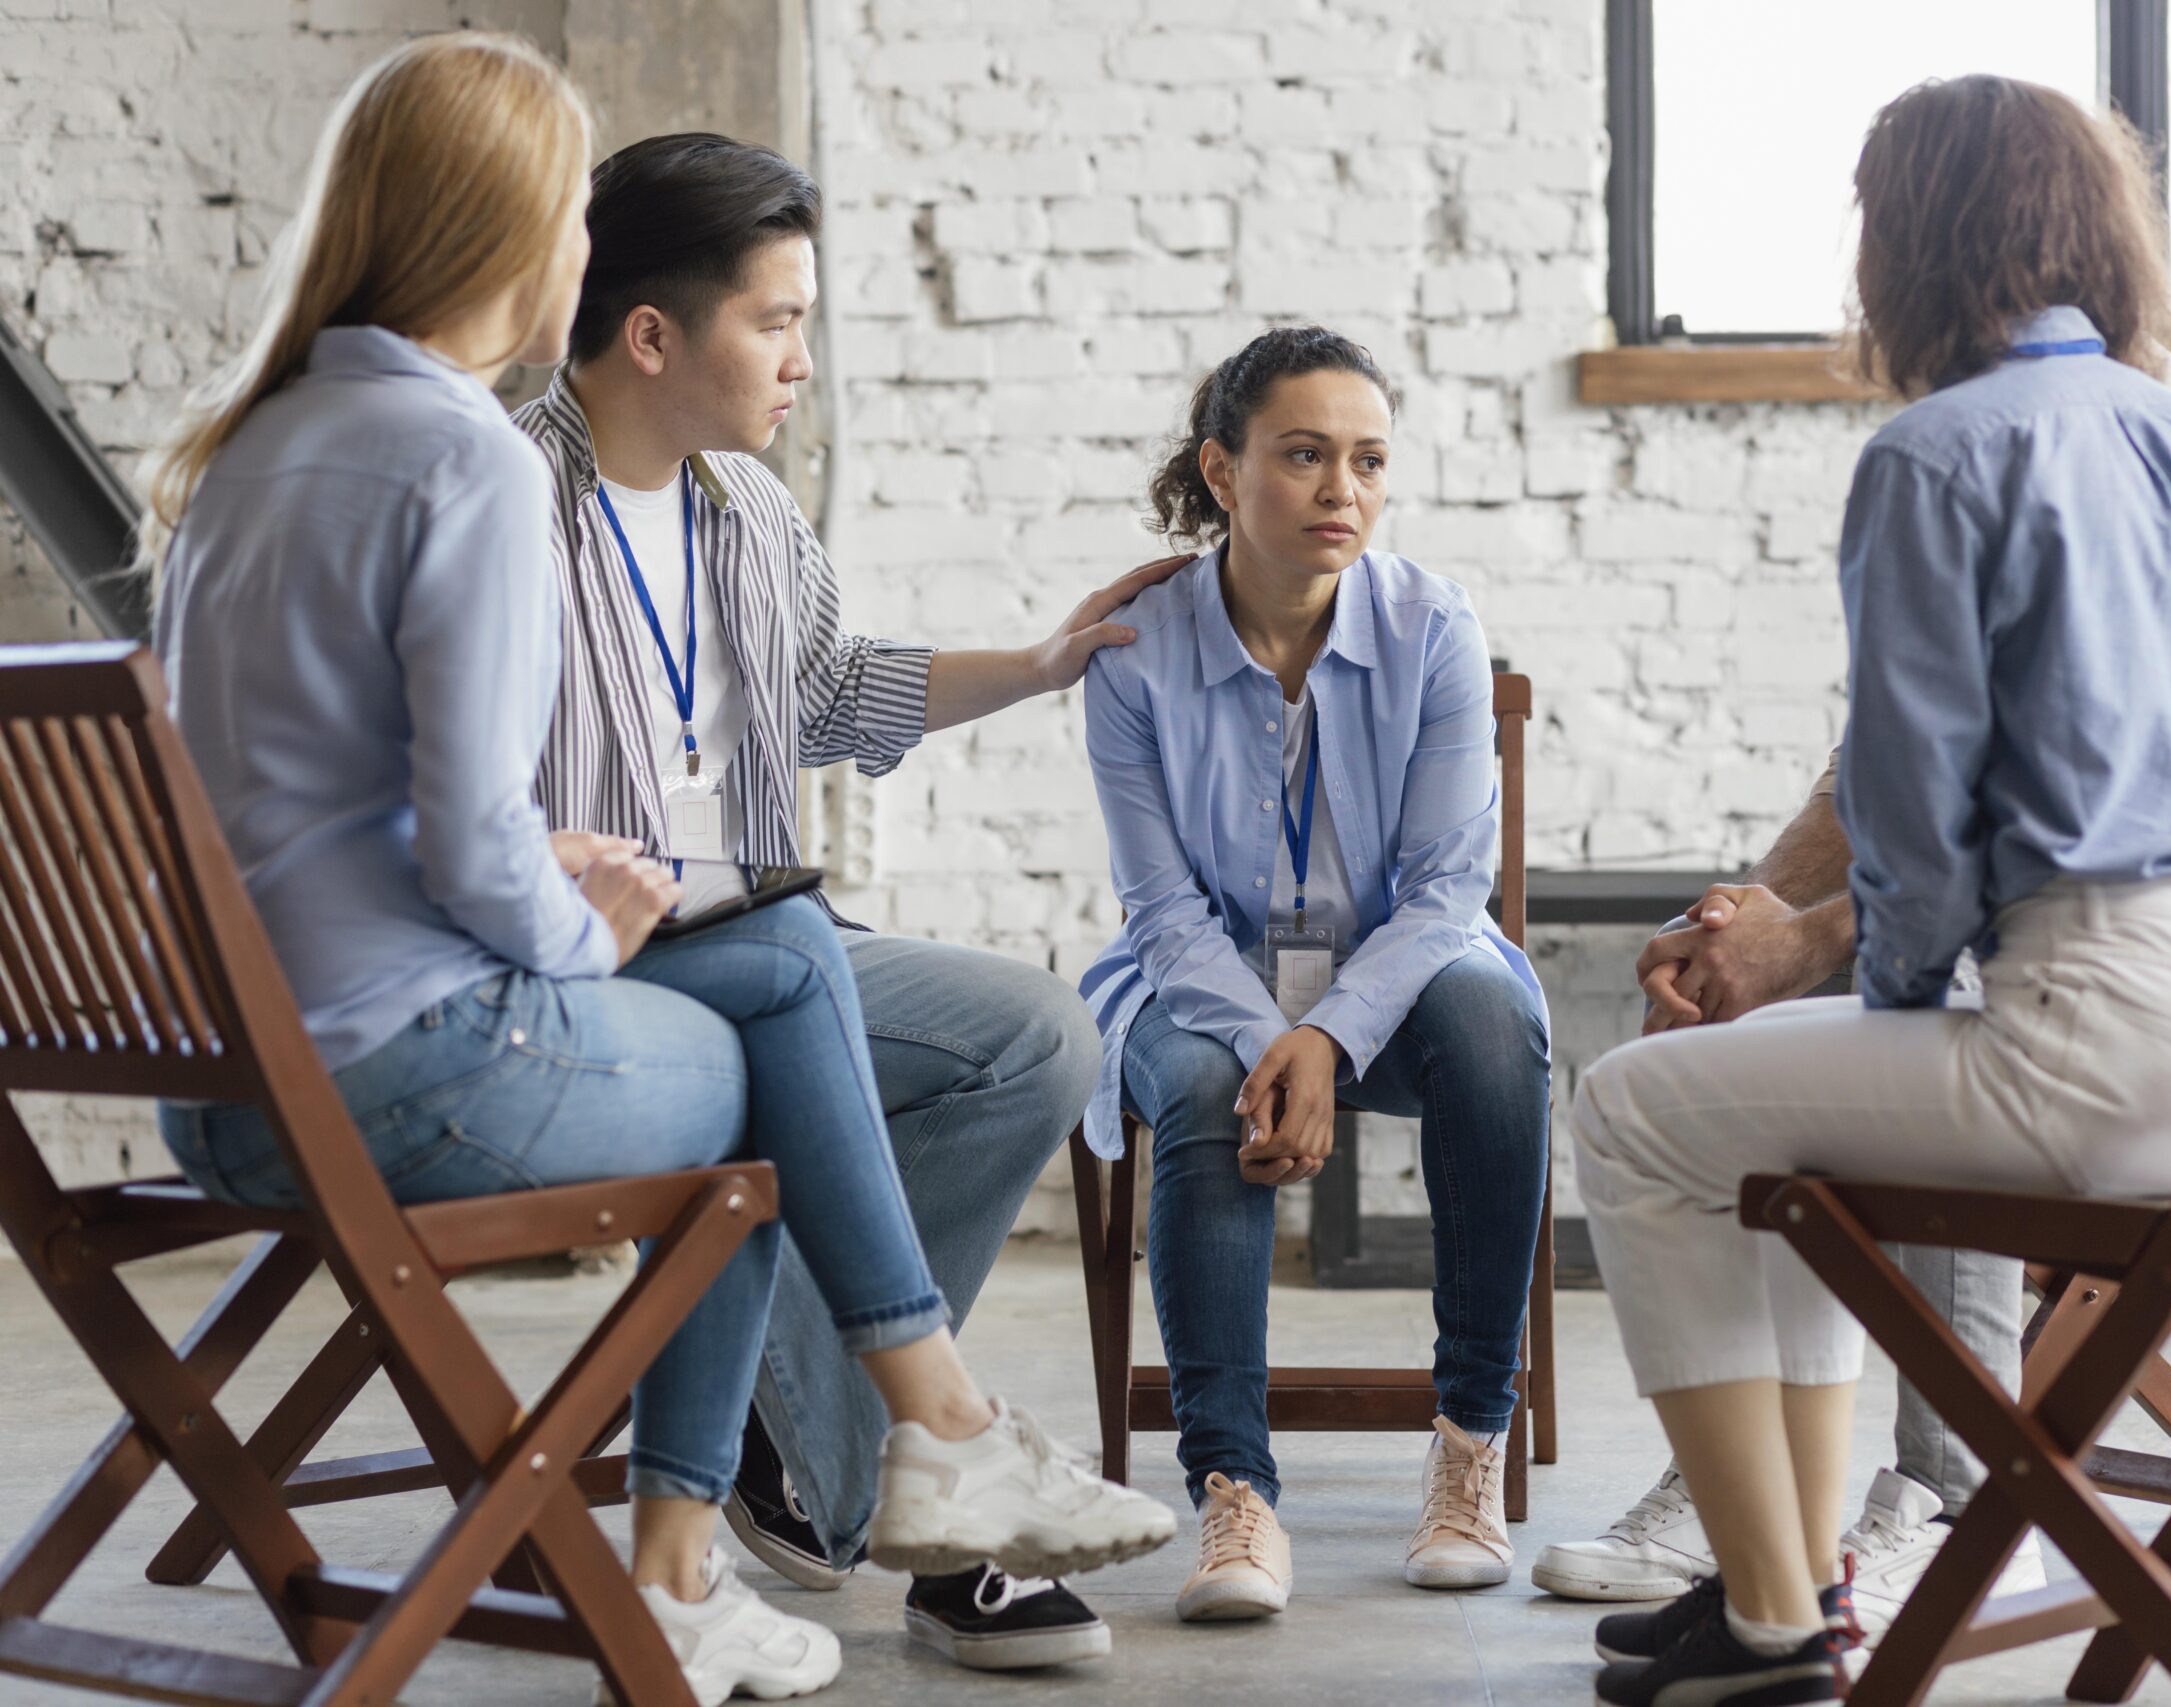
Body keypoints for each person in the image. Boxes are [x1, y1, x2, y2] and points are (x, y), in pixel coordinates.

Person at [142, 37, 1170, 1707]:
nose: (577, 247)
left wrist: (1045, 659)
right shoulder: (472, 460)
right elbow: (477, 836)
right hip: (435, 1041)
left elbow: (341, 798)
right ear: (529, 251)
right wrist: (571, 912)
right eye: (565, 218)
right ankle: (861, 1479)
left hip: (234, 1070)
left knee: (891, 997)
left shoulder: (244, 454)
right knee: (773, 1009)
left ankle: (831, 1488)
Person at [1565, 75, 2171, 1706]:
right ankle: (1777, 1578)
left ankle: (1775, 1618)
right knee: (1756, 1110)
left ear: (1910, 240)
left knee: (1637, 1110)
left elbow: (1917, 825)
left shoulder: (1934, 454)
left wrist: (1888, 990)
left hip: (2098, 1058)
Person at [513, 130, 1183, 1670]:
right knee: (786, 971)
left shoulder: (747, 512)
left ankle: (829, 1456)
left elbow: (826, 691)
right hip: (595, 967)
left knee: (1034, 1037)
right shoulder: (500, 501)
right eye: (779, 320)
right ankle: (916, 1482)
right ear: (654, 335)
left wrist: (1038, 663)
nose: (805, 359)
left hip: (764, 944)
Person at [1078, 326, 1552, 1624]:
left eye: (1369, 460)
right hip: (1205, 974)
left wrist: (1329, 1038)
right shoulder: (1134, 651)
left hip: (1391, 974)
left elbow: (1451, 886)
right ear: (1221, 472)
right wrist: (1268, 1036)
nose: (1344, 489)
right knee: (1193, 1081)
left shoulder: (1432, 626)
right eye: (1303, 456)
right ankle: (1234, 1492)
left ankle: (1468, 1447)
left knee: (1493, 1027)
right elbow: (1162, 909)